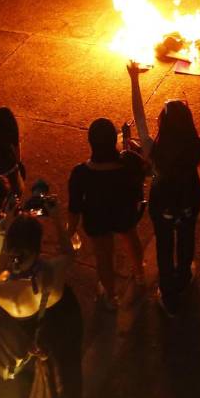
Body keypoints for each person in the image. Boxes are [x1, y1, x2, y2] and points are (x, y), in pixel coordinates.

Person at [0, 216, 82, 398]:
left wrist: (7, 227)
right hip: (60, 330)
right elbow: (70, 253)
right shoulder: (52, 271)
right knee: (68, 374)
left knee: (27, 382)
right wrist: (58, 217)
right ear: (38, 247)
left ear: (10, 249)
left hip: (26, 340)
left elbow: (0, 271)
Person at [127, 63, 200, 316]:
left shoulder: (154, 149)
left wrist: (135, 80)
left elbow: (138, 117)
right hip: (189, 200)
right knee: (186, 237)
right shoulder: (198, 145)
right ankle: (184, 275)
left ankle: (169, 295)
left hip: (164, 204)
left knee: (163, 246)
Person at [66, 118, 147, 309]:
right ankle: (140, 274)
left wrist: (70, 232)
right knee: (131, 237)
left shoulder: (80, 173)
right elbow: (144, 174)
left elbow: (74, 208)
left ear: (90, 142)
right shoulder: (128, 164)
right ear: (114, 141)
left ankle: (110, 296)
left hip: (97, 219)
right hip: (124, 213)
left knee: (103, 255)